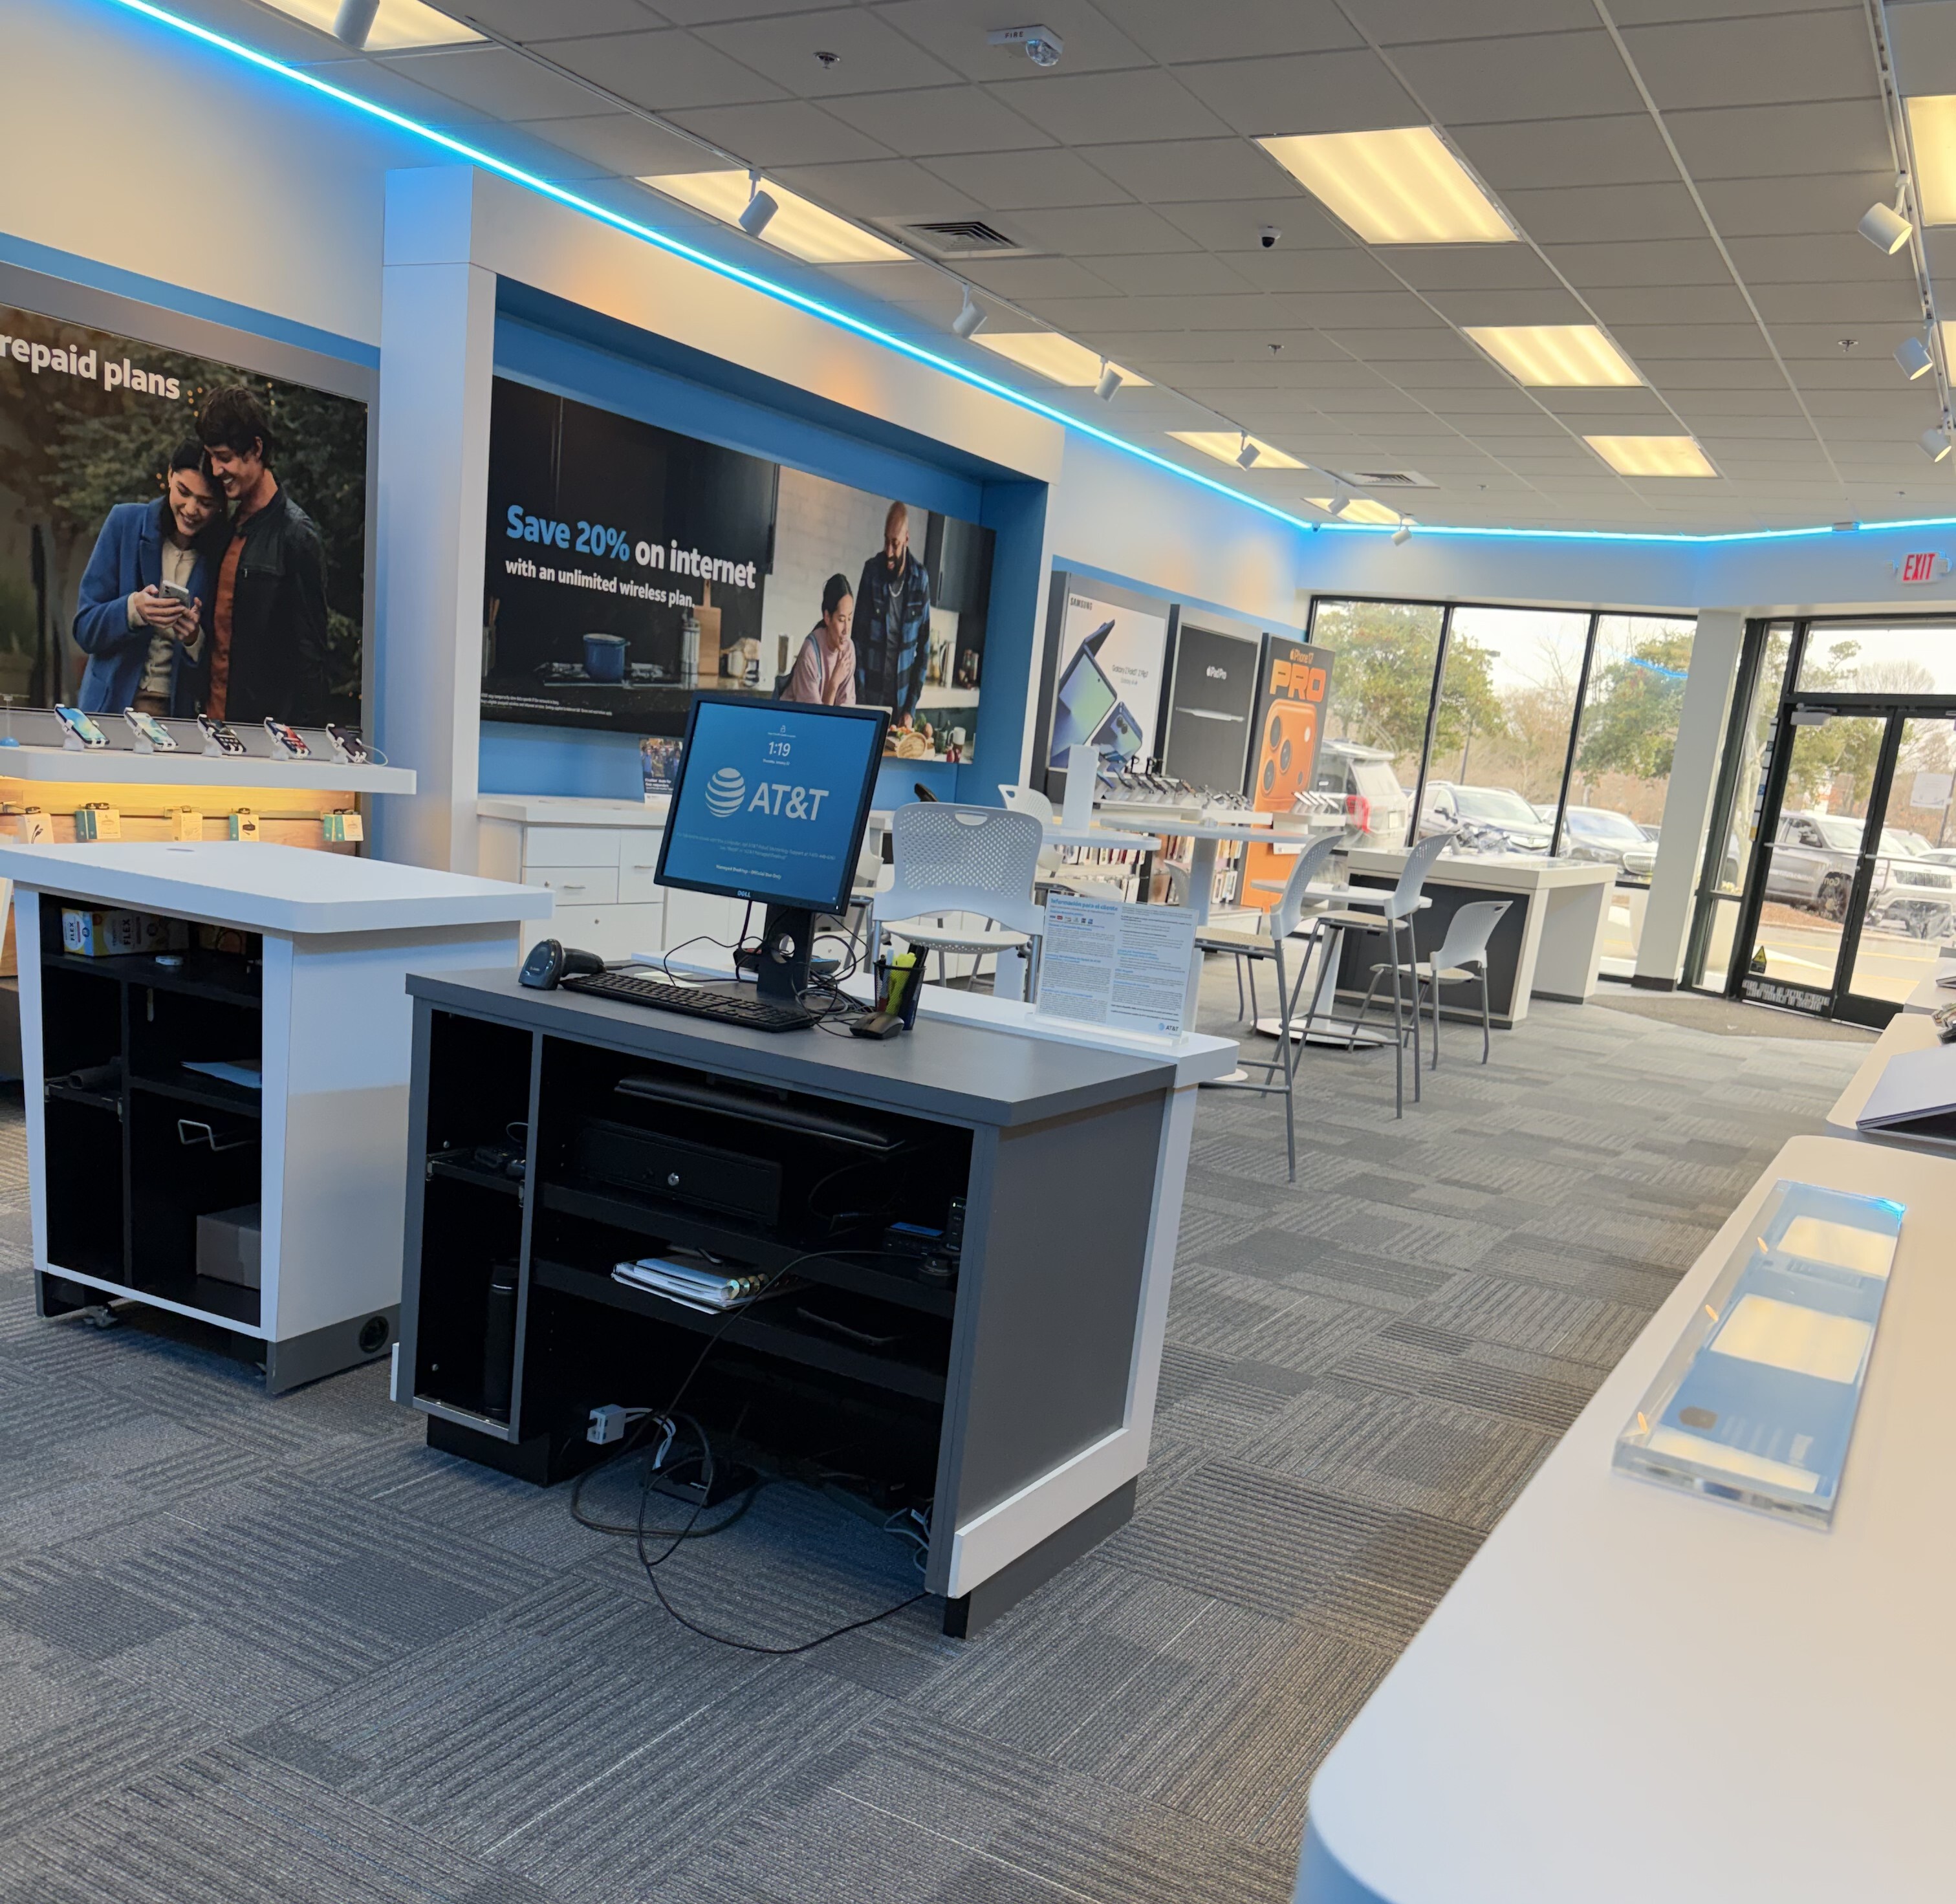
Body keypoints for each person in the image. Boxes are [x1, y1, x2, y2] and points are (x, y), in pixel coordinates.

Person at [198, 385, 331, 725]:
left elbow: (311, 661)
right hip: (211, 729)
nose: (215, 469)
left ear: (256, 449)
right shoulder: (224, 528)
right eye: (211, 457)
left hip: (263, 740)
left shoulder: (297, 537)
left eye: (224, 457)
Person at [72, 441, 223, 717]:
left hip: (177, 716)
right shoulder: (124, 523)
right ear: (170, 476)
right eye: (184, 492)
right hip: (111, 710)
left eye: (206, 503)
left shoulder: (221, 553)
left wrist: (193, 639)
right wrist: (133, 609)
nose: (191, 509)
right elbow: (85, 629)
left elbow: (223, 661)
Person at [852, 501, 933, 725]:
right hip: (870, 696)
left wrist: (910, 708)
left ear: (906, 539)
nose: (889, 551)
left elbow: (924, 650)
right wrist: (861, 699)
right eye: (886, 541)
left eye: (895, 544)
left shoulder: (920, 579)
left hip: (901, 701)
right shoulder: (871, 572)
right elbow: (857, 641)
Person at [781, 573, 856, 706]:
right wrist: (834, 684)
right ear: (827, 617)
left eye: (849, 619)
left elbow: (847, 708)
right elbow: (815, 717)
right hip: (793, 717)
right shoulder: (810, 652)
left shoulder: (848, 649)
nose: (847, 629)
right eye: (841, 620)